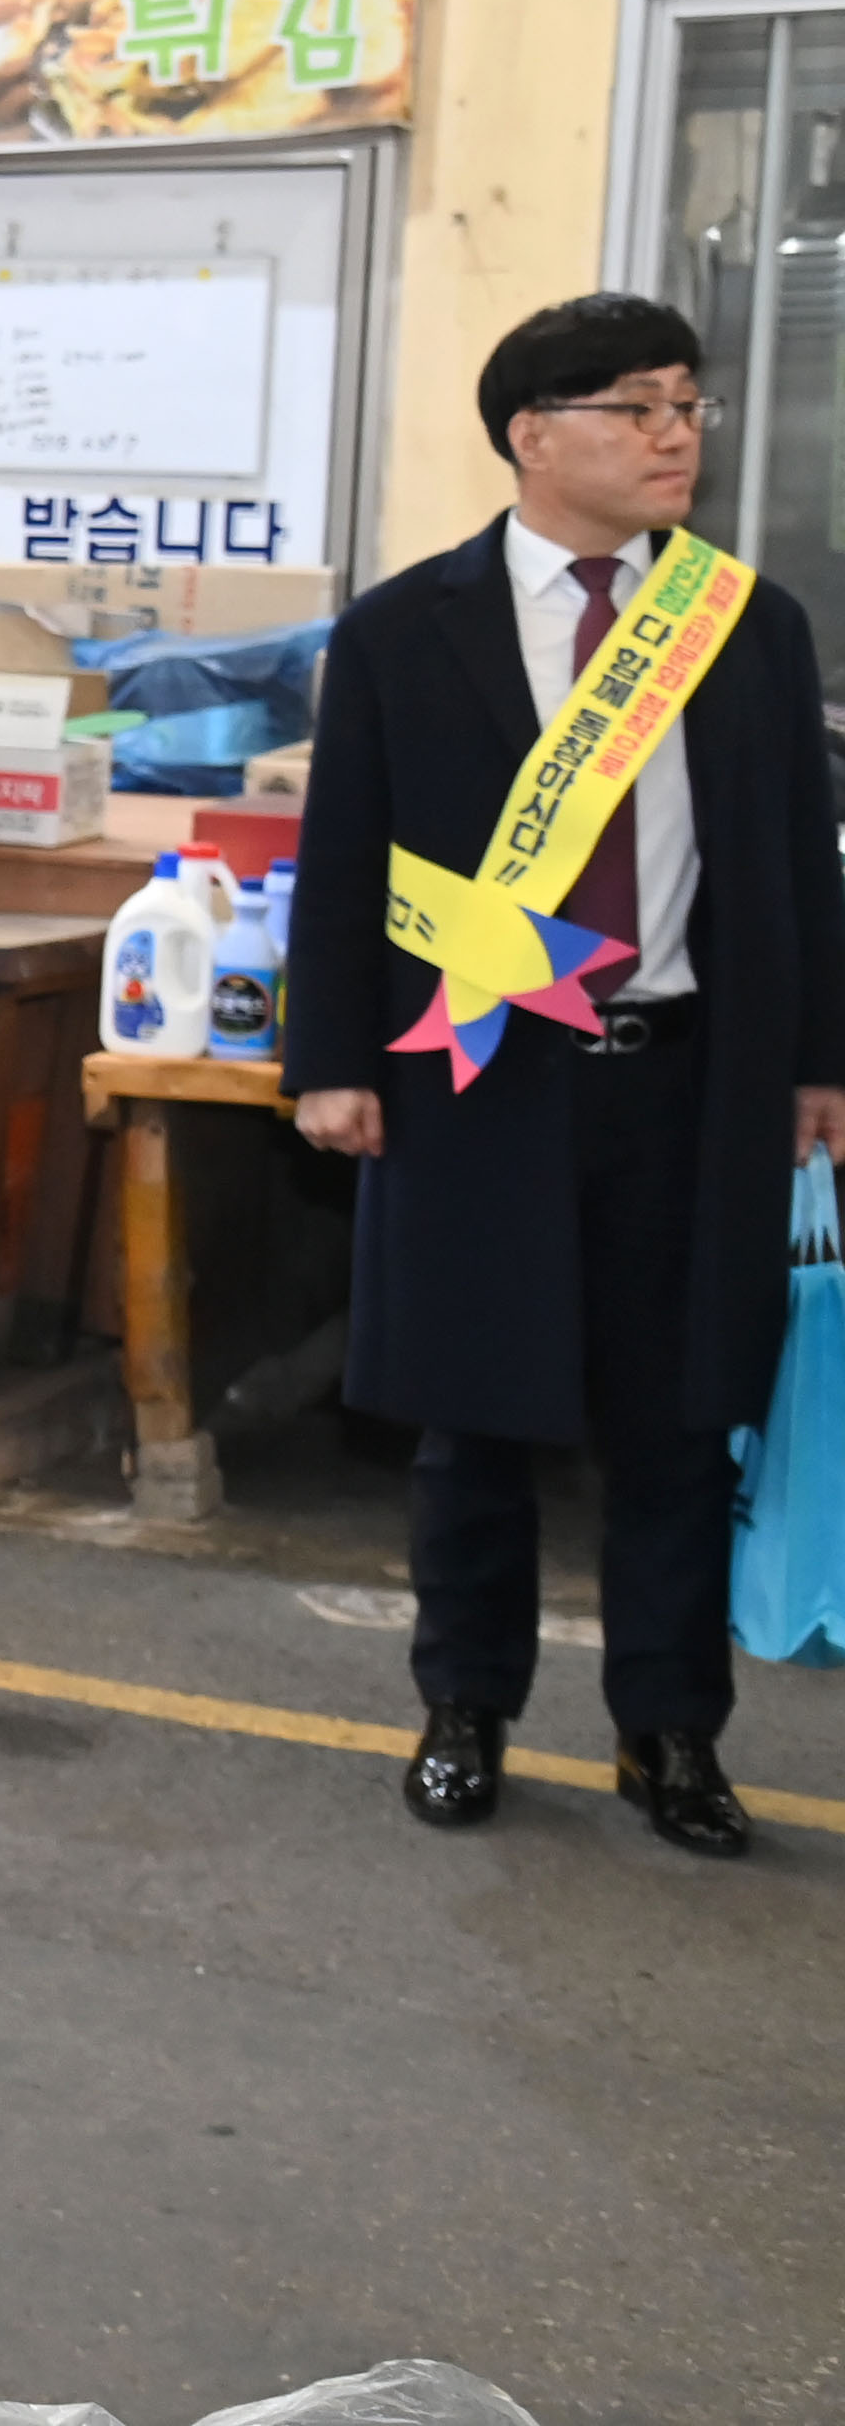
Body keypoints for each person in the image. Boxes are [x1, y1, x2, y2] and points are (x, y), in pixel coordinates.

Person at [286, 294, 845, 1859]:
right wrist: (328, 1062)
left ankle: (672, 1734)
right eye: (639, 407)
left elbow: (801, 864)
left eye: (688, 406)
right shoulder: (407, 628)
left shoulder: (745, 622)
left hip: (692, 1080)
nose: (677, 435)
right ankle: (466, 1708)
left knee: (683, 1423)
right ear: (536, 436)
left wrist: (821, 1065)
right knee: (477, 1419)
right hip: (480, 1076)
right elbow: (346, 863)